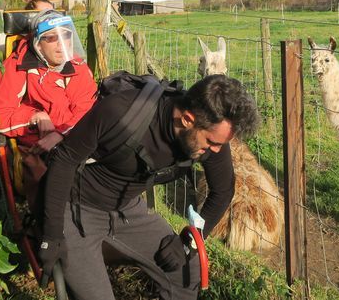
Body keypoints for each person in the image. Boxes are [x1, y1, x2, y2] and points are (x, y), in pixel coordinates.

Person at [39, 74, 260, 300]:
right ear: (187, 119)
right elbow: (64, 160)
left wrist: (189, 242)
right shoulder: (120, 112)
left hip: (127, 208)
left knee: (187, 271)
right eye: (212, 143)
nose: (215, 150)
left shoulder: (211, 137)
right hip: (75, 208)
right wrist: (52, 234)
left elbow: (222, 191)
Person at [0, 10, 98, 211]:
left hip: (75, 137)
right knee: (49, 177)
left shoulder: (77, 66)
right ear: (38, 43)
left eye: (66, 35)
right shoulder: (17, 67)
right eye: (52, 37)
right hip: (38, 145)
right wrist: (34, 116)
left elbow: (88, 110)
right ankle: (46, 227)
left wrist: (60, 133)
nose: (61, 43)